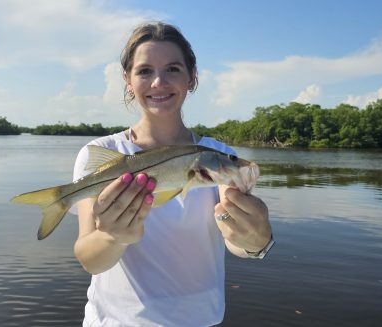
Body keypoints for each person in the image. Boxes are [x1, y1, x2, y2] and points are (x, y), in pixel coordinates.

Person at [72, 21, 274, 326]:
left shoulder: (215, 153)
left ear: (192, 77)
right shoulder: (99, 153)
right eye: (144, 71)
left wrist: (256, 240)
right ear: (128, 80)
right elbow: (90, 259)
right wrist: (112, 236)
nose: (158, 82)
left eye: (173, 69)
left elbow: (233, 236)